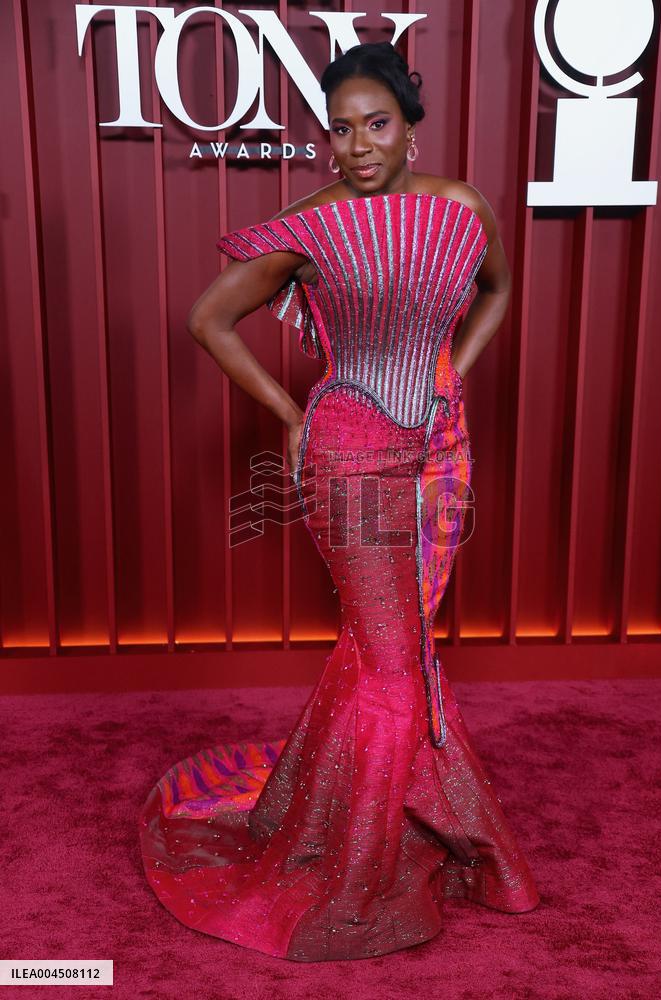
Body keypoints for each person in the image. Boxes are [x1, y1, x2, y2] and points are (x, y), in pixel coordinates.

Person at [139, 41, 540, 963]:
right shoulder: (310, 225)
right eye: (341, 129)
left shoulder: (461, 207)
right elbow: (209, 317)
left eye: (377, 124)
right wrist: (289, 411)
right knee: (395, 663)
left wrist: (452, 376)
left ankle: (333, 813)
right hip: (347, 453)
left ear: (411, 129)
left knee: (389, 651)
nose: (358, 145)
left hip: (439, 450)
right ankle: (354, 875)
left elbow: (499, 292)